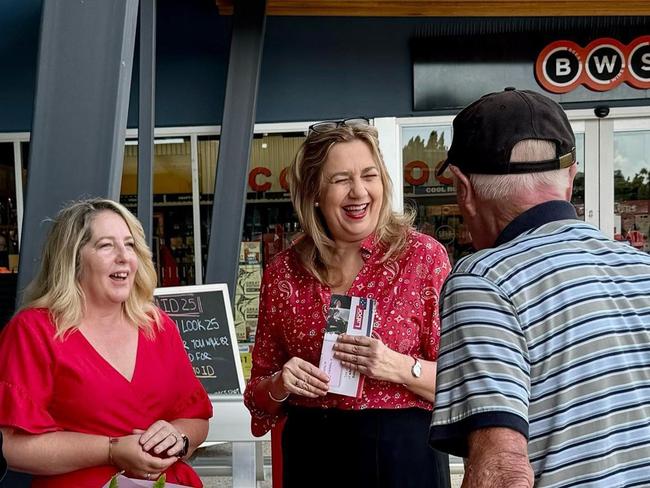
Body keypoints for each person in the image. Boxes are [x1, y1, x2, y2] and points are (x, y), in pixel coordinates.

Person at [429, 88, 650, 487]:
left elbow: (502, 471)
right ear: (570, 176)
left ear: (464, 189)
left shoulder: (483, 280)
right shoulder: (642, 267)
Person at [243, 118, 452, 488]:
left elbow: (461, 380)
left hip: (404, 457)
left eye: (369, 175)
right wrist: (280, 382)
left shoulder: (423, 258)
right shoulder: (283, 273)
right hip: (314, 455)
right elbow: (258, 396)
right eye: (341, 180)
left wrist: (399, 366)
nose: (359, 192)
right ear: (314, 193)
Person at [0, 198, 213, 487]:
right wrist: (112, 450)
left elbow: (197, 419)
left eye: (129, 244)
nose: (124, 256)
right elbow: (10, 446)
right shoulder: (33, 331)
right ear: (73, 259)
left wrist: (178, 436)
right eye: (106, 245)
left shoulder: (158, 326)